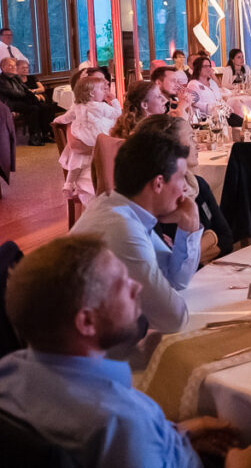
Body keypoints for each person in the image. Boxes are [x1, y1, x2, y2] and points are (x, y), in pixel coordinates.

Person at [0, 235, 251, 468]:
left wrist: (178, 433)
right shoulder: (122, 425)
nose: (135, 286)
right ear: (86, 321)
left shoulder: (4, 374)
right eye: (120, 284)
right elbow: (118, 435)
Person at [70, 129, 202, 333]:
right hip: (89, 352)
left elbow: (177, 279)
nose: (185, 187)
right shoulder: (123, 229)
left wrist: (189, 225)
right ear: (158, 183)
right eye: (182, 177)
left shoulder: (118, 206)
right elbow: (173, 319)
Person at [135, 114, 233, 261]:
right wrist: (211, 239)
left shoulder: (197, 185)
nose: (197, 145)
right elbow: (169, 262)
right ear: (170, 147)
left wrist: (192, 252)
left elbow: (226, 239)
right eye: (191, 138)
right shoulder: (152, 200)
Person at [55, 75, 121, 205]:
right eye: (102, 89)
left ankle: (68, 183)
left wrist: (57, 120)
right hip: (96, 138)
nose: (105, 92)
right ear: (92, 93)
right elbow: (117, 113)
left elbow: (66, 118)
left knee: (78, 161)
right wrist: (114, 100)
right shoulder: (100, 107)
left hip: (82, 136)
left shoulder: (77, 106)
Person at [0, 57, 55, 146]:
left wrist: (35, 97)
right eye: (10, 65)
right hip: (8, 104)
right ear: (3, 68)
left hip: (19, 101)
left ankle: (45, 134)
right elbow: (13, 93)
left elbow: (26, 90)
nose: (13, 67)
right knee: (33, 108)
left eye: (14, 65)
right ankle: (34, 138)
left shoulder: (15, 78)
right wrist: (35, 97)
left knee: (46, 107)